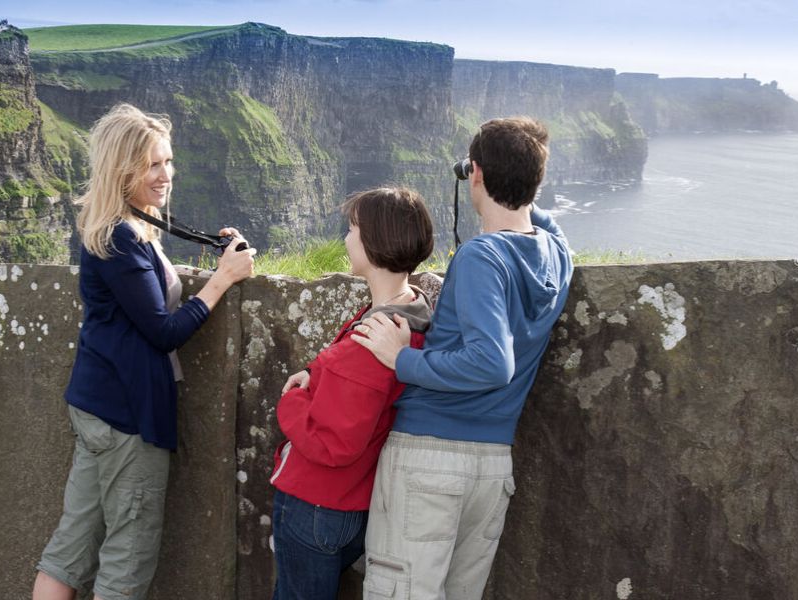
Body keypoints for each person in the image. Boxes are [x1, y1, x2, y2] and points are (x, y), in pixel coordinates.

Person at [32, 103, 256, 600]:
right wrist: (221, 281)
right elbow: (161, 330)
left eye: (168, 162)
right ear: (123, 168)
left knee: (71, 549)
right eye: (153, 164)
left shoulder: (121, 225)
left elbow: (143, 299)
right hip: (126, 417)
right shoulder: (120, 236)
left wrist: (219, 251)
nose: (165, 175)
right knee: (126, 560)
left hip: (99, 405)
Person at [353, 117, 574, 599]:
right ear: (535, 182)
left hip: (430, 459)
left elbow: (492, 362)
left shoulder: (483, 256)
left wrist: (400, 360)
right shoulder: (556, 256)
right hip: (491, 467)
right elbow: (544, 222)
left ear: (473, 174)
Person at [269, 187, 435, 600]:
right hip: (352, 502)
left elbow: (333, 443)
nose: (346, 238)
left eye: (353, 229)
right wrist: (313, 373)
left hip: (316, 505)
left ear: (375, 241)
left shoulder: (372, 342)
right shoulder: (407, 311)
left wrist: (290, 402)